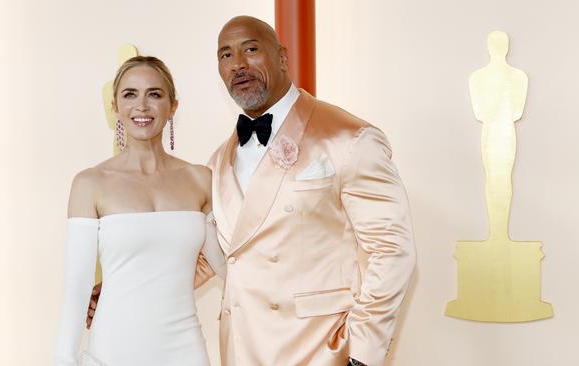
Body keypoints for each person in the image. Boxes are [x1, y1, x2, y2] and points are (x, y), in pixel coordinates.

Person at [89, 15, 416, 366]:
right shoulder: (217, 162)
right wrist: (122, 290)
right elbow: (205, 255)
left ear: (282, 57)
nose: (238, 65)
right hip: (243, 349)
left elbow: (392, 250)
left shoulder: (349, 137)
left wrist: (363, 353)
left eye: (250, 49)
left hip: (325, 349)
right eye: (225, 55)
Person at [55, 56, 225, 366]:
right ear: (115, 107)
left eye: (154, 94)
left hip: (186, 352)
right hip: (112, 353)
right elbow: (76, 288)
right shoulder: (90, 183)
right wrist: (64, 359)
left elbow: (228, 266)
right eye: (130, 94)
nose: (142, 106)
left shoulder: (201, 179)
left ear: (173, 106)